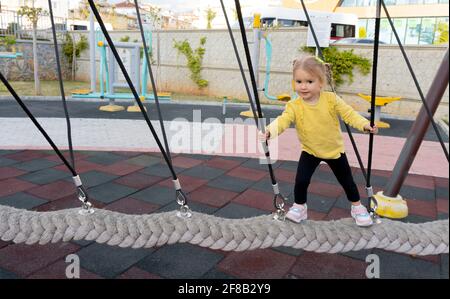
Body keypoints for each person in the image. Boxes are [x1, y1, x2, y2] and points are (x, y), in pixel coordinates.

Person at [259, 55, 378, 226]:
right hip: (310, 150)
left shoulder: (331, 100)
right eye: (298, 81)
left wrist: (365, 125)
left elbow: (349, 114)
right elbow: (283, 121)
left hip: (334, 150)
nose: (303, 86)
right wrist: (269, 131)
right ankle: (300, 207)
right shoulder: (294, 105)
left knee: (347, 181)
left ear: (321, 82)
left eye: (309, 81)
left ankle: (357, 207)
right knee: (301, 180)